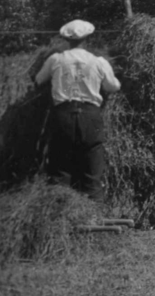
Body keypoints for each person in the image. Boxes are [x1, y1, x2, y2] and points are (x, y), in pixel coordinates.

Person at [33, 19, 122, 203]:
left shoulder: (55, 59)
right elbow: (113, 87)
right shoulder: (98, 61)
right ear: (87, 39)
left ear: (66, 39)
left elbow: (38, 80)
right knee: (92, 165)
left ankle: (61, 213)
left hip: (63, 115)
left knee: (60, 166)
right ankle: (94, 213)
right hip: (90, 115)